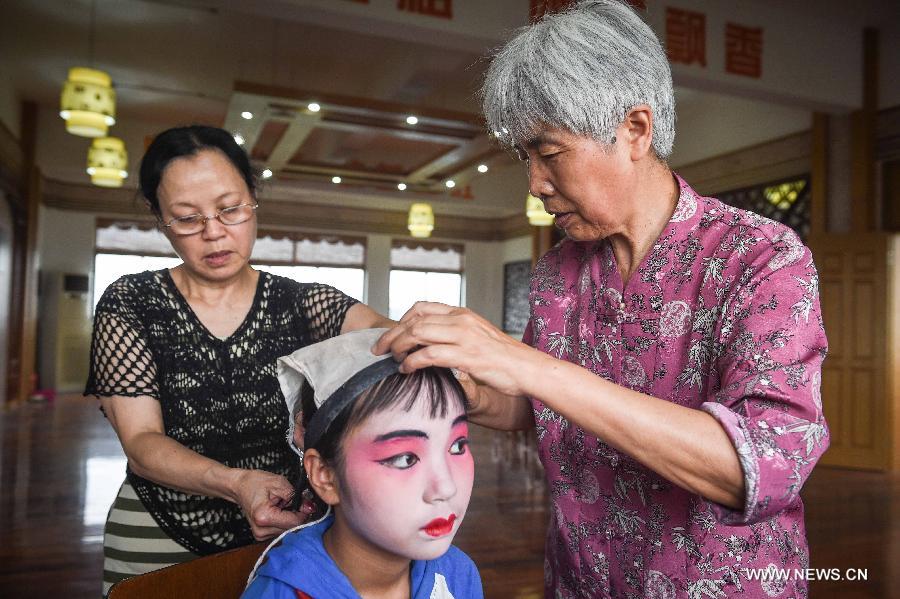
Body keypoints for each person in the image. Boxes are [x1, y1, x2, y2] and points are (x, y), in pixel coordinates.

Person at [374, 1, 829, 597]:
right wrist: (452, 379)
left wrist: (524, 362)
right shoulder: (561, 270)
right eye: (525, 158)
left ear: (635, 130)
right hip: (582, 577)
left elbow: (761, 467)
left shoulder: (760, 257)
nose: (534, 184)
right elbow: (532, 406)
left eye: (550, 153)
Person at [84, 125, 391, 597]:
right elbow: (143, 442)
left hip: (287, 532)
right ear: (159, 219)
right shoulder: (132, 301)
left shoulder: (305, 303)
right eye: (187, 219)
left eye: (230, 209)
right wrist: (238, 483)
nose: (213, 233)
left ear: (253, 198)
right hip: (158, 531)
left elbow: (392, 343)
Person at [241, 328, 483, 599]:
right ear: (325, 475)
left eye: (457, 446)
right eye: (406, 458)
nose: (446, 488)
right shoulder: (280, 593)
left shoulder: (458, 575)